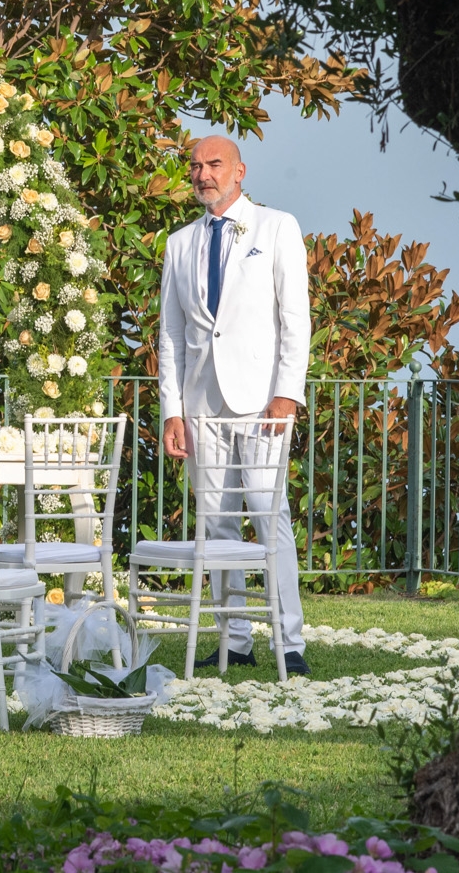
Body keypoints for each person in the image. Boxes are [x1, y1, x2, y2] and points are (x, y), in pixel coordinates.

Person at [156, 134, 311, 676]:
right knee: (216, 523)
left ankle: (290, 643)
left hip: (263, 405)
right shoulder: (179, 243)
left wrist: (287, 394)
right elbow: (171, 336)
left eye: (214, 165)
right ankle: (235, 638)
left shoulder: (277, 228)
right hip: (201, 405)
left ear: (239, 171)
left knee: (272, 522)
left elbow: (295, 319)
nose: (203, 174)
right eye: (195, 166)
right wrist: (172, 411)